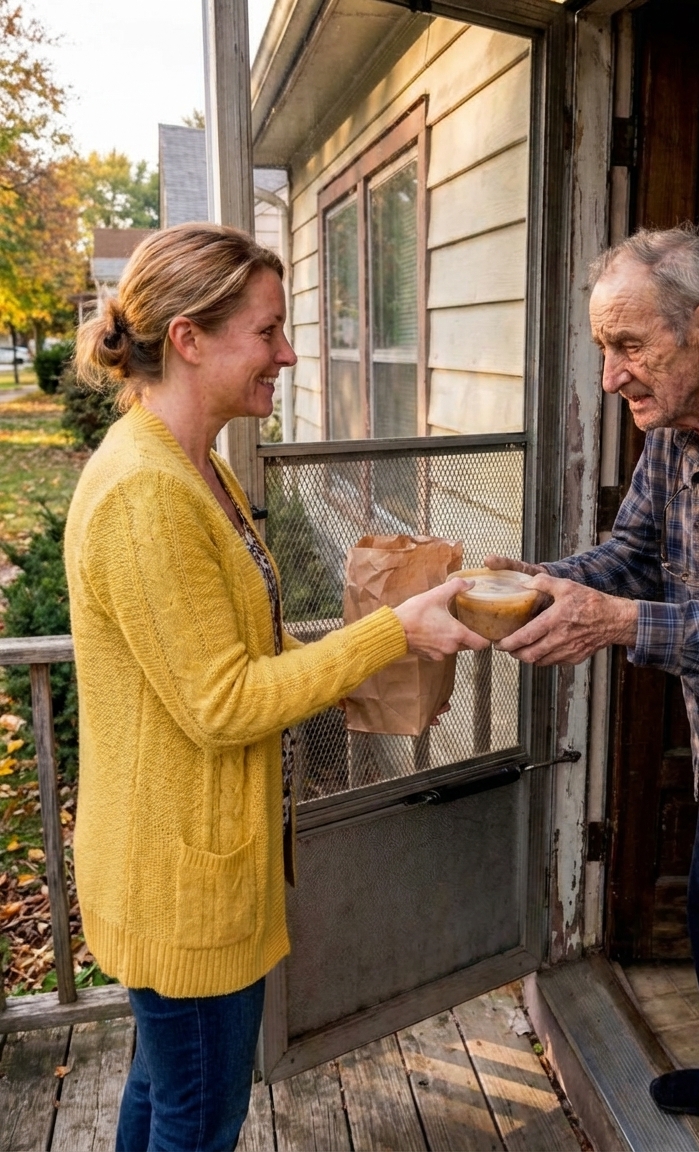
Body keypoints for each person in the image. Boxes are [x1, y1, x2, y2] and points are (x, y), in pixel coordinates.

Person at [65, 223, 488, 1152]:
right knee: (200, 1116)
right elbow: (221, 705)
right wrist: (387, 632)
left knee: (163, 1091)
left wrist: (364, 652)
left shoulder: (196, 464)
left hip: (186, 865)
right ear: (188, 337)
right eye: (267, 331)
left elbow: (235, 645)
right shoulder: (148, 491)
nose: (289, 353)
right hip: (183, 882)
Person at [489, 225, 699, 1122]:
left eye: (629, 346)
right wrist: (532, 585)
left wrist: (620, 623)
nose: (611, 376)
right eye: (604, 348)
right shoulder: (673, 425)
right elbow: (633, 551)